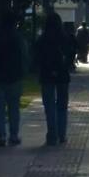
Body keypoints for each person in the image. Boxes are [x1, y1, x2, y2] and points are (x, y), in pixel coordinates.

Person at [0, 10, 26, 147]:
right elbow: (24, 56)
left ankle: (1, 135)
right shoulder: (17, 37)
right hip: (14, 77)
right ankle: (14, 135)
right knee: (13, 107)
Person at [35, 12, 71, 145]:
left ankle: (52, 134)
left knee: (49, 106)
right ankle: (62, 134)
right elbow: (70, 56)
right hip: (62, 75)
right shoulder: (64, 38)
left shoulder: (42, 39)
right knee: (62, 106)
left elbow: (37, 58)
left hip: (46, 75)